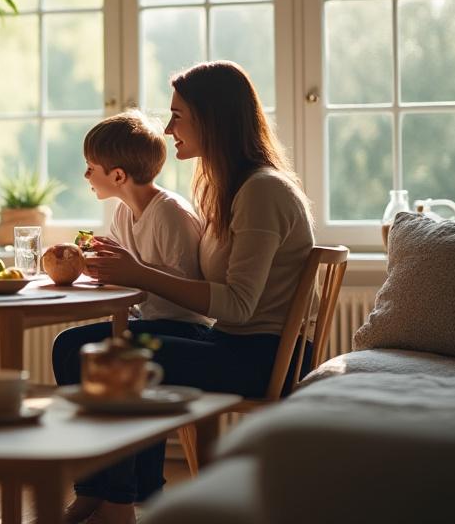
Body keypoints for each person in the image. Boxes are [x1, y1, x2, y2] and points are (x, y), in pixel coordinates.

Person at [52, 61, 314, 524]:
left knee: (115, 357)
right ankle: (108, 488)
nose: (169, 128)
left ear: (212, 121)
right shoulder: (226, 187)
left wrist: (140, 273)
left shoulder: (262, 191)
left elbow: (237, 304)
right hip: (231, 341)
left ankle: (121, 501)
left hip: (264, 355)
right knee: (73, 344)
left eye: (178, 116)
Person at [78, 110, 208, 327]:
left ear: (118, 176)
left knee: (72, 344)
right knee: (71, 342)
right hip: (145, 320)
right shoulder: (123, 212)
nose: (86, 175)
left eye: (91, 168)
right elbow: (119, 271)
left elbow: (187, 287)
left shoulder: (169, 213)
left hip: (183, 326)